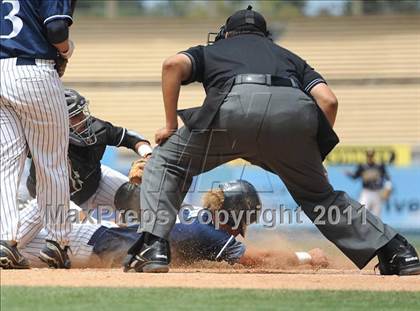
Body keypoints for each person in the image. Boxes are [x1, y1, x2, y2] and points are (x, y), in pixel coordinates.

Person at [123, 6, 420, 275]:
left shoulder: (215, 50)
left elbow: (171, 65)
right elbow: (328, 101)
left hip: (232, 112)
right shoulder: (289, 57)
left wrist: (170, 124)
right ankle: (398, 252)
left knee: (166, 163)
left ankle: (154, 245)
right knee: (320, 197)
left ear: (227, 33)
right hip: (294, 115)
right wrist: (313, 155)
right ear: (264, 36)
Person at [18, 180, 327, 269]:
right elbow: (256, 259)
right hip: (88, 245)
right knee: (12, 244)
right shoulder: (209, 232)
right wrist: (307, 258)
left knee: (12, 252)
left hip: (90, 238)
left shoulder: (196, 215)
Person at [18, 88, 152, 264]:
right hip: (51, 200)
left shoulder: (97, 129)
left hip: (97, 181)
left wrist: (148, 154)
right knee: (100, 233)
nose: (82, 119)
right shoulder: (41, 141)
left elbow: (130, 137)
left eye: (81, 113)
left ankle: (165, 234)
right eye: (75, 117)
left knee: (136, 198)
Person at [1, 0, 77, 269]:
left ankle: (5, 241)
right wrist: (66, 51)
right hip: (33, 72)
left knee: (6, 164)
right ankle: (57, 242)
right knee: (52, 162)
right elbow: (56, 29)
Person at [346, 149, 392, 217]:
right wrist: (349, 174)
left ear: (374, 156)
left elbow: (387, 178)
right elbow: (355, 177)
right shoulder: (362, 166)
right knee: (361, 213)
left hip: (377, 192)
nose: (370, 157)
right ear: (366, 156)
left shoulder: (379, 166)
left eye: (371, 155)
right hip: (366, 192)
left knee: (376, 216)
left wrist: (388, 187)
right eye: (368, 156)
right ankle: (360, 227)